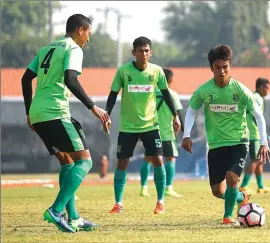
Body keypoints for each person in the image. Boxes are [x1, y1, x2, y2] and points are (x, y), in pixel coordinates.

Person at [21, 14, 110, 233]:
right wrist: (94, 107)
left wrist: (29, 112)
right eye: (88, 33)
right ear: (80, 30)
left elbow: (25, 79)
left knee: (67, 162)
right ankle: (56, 210)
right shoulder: (73, 49)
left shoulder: (46, 48)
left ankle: (75, 218)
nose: (88, 39)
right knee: (85, 161)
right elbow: (71, 79)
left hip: (39, 113)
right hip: (55, 112)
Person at [182, 44, 270, 226]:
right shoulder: (204, 91)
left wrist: (264, 142)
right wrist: (186, 135)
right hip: (216, 145)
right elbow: (191, 111)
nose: (222, 71)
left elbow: (258, 116)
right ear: (211, 68)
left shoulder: (240, 90)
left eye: (225, 67)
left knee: (233, 178)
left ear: (230, 66)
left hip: (239, 142)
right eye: (218, 67)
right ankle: (242, 197)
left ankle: (227, 217)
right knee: (217, 191)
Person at [106, 36, 181, 215]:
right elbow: (112, 94)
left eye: (147, 50)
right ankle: (118, 203)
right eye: (140, 50)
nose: (144, 53)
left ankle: (160, 202)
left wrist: (175, 116)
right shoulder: (123, 71)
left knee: (158, 160)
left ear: (151, 52)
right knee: (122, 162)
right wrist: (106, 114)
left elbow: (167, 94)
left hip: (150, 125)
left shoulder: (156, 71)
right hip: (128, 126)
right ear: (134, 53)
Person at [140, 68, 185, 198]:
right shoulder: (173, 94)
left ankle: (143, 188)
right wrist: (184, 132)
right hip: (167, 133)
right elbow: (178, 114)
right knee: (170, 159)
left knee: (148, 159)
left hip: (151, 131)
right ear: (170, 80)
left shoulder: (151, 93)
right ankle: (168, 188)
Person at [240, 77, 270, 194]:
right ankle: (243, 186)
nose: (268, 90)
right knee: (256, 160)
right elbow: (256, 116)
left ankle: (261, 186)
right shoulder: (257, 98)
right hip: (253, 133)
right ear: (261, 87)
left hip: (254, 133)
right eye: (267, 88)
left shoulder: (255, 97)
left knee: (260, 160)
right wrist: (263, 134)